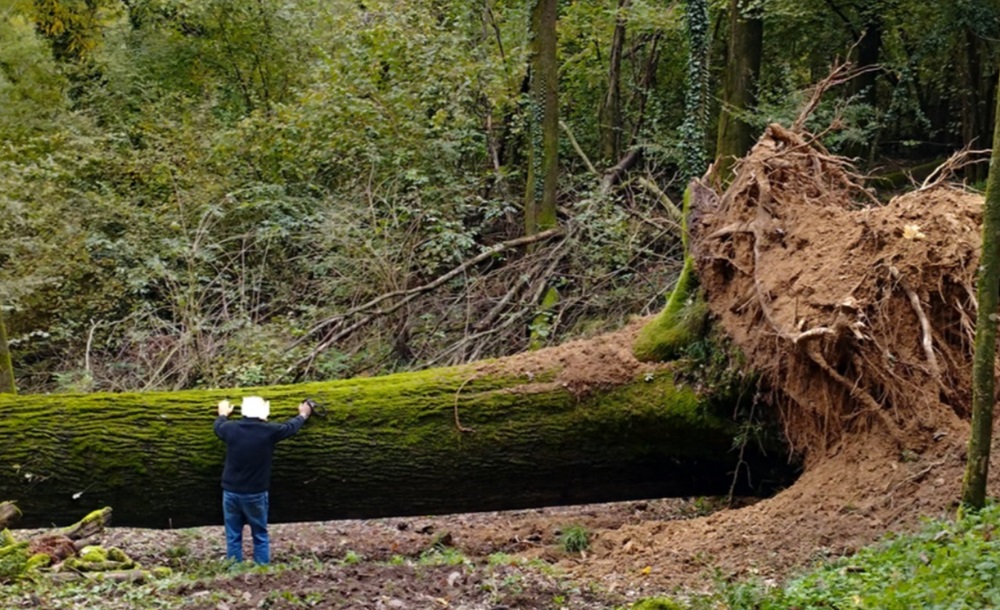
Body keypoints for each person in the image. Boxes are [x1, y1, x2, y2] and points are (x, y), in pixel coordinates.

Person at [213, 395, 313, 564]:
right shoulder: (269, 431)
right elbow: (291, 427)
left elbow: (218, 426)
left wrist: (222, 413)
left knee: (233, 535)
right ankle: (262, 569)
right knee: (259, 534)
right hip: (255, 493)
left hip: (231, 492)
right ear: (262, 413)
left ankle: (233, 569)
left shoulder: (230, 429)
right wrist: (303, 415)